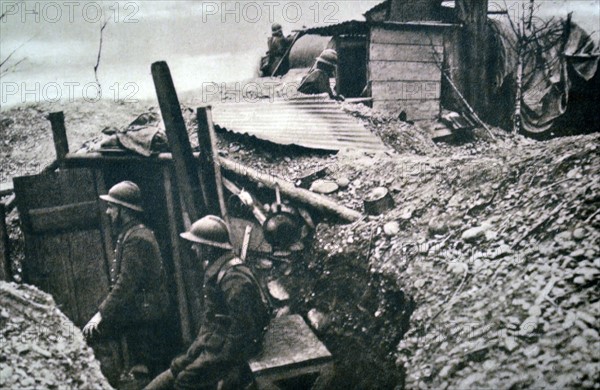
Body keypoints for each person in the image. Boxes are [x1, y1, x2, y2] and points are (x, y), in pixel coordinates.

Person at [145, 215, 271, 390]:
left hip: (234, 349)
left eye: (197, 244)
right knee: (176, 367)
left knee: (186, 380)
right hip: (218, 340)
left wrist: (221, 361)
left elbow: (242, 329)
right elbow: (211, 320)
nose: (193, 247)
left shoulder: (233, 278)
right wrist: (195, 352)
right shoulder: (219, 270)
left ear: (210, 249)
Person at [83, 181, 169, 386]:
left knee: (96, 335)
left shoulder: (137, 238)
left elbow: (126, 283)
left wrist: (101, 314)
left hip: (145, 313)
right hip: (139, 310)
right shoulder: (131, 234)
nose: (108, 212)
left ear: (124, 210)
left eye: (112, 207)